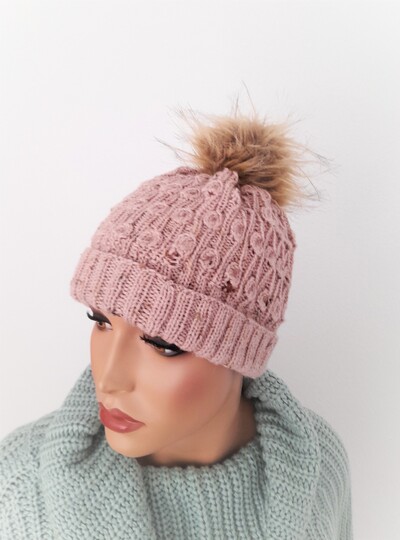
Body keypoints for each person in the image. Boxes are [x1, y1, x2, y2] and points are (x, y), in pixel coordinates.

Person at [0, 103, 353, 539]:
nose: (109, 378)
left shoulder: (319, 469)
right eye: (101, 320)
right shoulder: (19, 487)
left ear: (239, 353)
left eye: (163, 344)